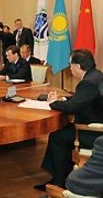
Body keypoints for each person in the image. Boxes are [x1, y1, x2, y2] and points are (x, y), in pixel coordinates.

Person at [35, 49, 103, 191]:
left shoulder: (88, 83)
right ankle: (57, 178)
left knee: (57, 136)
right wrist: (63, 99)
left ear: (78, 66)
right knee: (59, 133)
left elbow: (72, 107)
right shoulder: (96, 76)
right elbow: (82, 100)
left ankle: (60, 182)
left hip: (94, 133)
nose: (70, 68)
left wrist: (53, 102)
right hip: (95, 124)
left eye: (70, 65)